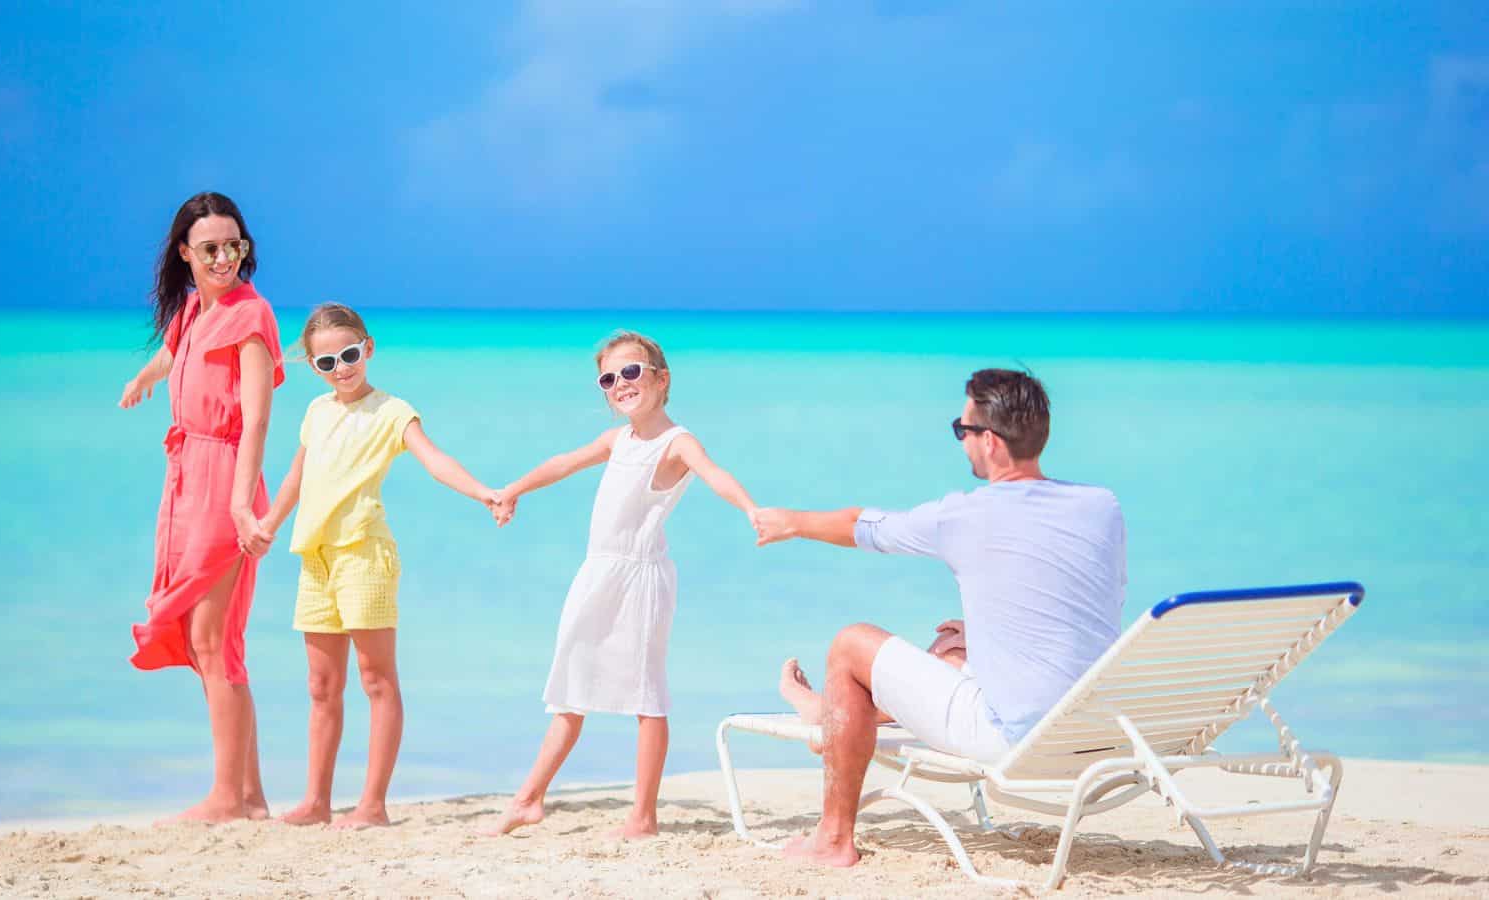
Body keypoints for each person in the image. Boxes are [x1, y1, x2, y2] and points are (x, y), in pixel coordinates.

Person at [752, 368, 1126, 867]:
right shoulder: (1101, 507)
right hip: (1095, 733)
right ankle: (823, 712)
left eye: (962, 430)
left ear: (990, 443)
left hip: (1016, 738)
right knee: (951, 654)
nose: (962, 441)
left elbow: (861, 526)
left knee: (850, 645)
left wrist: (793, 523)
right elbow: (1087, 603)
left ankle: (833, 839)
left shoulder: (963, 516)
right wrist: (991, 631)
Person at [479, 331, 760, 840]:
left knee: (647, 697)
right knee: (568, 688)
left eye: (631, 372)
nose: (620, 384)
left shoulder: (677, 442)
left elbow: (714, 473)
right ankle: (528, 800)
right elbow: (562, 463)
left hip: (641, 579)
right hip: (597, 573)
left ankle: (643, 817)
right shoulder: (617, 440)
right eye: (609, 378)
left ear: (661, 378)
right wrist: (512, 490)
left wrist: (752, 511)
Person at [262, 303, 500, 829]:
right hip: (315, 557)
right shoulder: (316, 414)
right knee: (321, 687)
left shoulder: (393, 411)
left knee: (376, 679)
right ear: (312, 366)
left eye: (349, 355)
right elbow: (296, 479)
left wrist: (484, 493)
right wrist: (268, 525)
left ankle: (372, 805)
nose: (341, 368)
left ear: (368, 349)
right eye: (327, 362)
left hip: (365, 554)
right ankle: (317, 802)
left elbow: (435, 459)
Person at [120, 191, 284, 823]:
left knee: (214, 638)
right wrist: (147, 377)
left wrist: (243, 505)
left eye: (232, 246)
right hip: (187, 478)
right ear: (185, 252)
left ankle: (226, 797)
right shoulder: (192, 307)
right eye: (209, 248)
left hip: (226, 477)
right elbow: (173, 351)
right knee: (210, 640)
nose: (223, 258)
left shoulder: (251, 316)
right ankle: (250, 795)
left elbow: (258, 420)